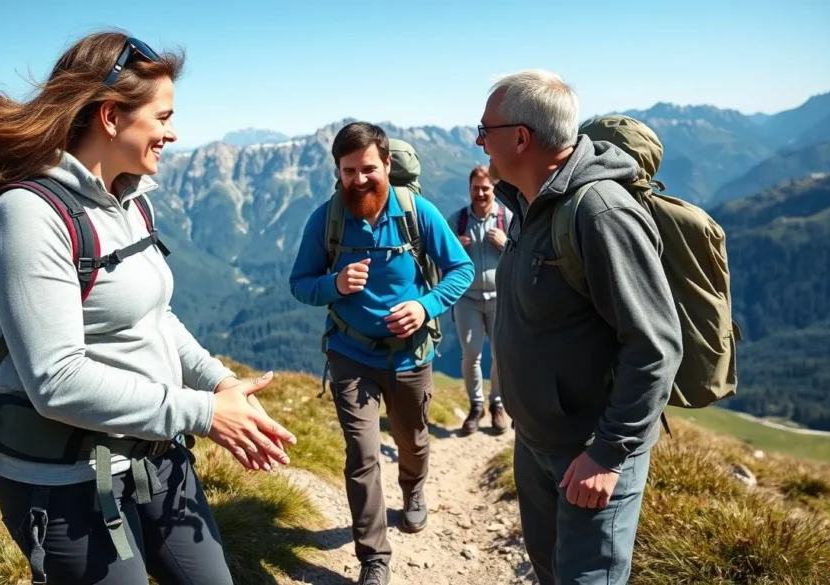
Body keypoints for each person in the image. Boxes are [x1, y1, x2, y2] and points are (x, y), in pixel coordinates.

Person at [0, 31, 296, 585]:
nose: (174, 133)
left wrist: (218, 384)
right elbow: (56, 381)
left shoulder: (129, 201)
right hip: (64, 482)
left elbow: (154, 317)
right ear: (110, 117)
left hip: (157, 454)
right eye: (163, 117)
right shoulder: (28, 214)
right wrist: (203, 414)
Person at [476, 70, 682, 584]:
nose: (479, 142)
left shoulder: (600, 214)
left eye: (485, 130)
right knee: (550, 573)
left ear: (520, 137)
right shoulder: (526, 201)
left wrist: (608, 455)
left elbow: (655, 346)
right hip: (537, 443)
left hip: (589, 453)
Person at [289, 122, 474, 585]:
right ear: (338, 171)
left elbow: (461, 268)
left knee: (412, 440)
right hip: (351, 355)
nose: (359, 179)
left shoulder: (417, 212)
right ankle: (374, 558)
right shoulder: (327, 219)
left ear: (387, 165)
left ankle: (413, 490)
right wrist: (333, 284)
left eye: (368, 168)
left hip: (411, 356)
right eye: (348, 171)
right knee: (362, 454)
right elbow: (299, 283)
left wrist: (424, 305)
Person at [444, 165, 512, 436]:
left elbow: (525, 254)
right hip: (467, 300)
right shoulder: (457, 221)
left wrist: (505, 244)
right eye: (476, 188)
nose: (481, 193)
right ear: (469, 189)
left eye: (486, 188)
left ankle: (497, 403)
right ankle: (476, 406)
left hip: (500, 298)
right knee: (470, 354)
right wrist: (456, 248)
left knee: (500, 354)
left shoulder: (507, 217)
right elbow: (441, 258)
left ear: (494, 189)